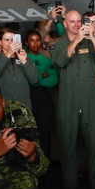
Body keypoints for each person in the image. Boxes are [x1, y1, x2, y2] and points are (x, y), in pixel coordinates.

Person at [51, 9, 95, 189]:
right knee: (67, 145)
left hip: (90, 101)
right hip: (68, 101)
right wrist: (76, 40)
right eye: (73, 21)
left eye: (79, 21)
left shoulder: (90, 42)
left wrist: (92, 37)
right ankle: (70, 184)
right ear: (65, 24)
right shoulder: (57, 45)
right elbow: (60, 62)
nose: (77, 24)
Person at [25, 29, 57, 162]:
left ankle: (45, 163)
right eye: (32, 40)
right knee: (30, 131)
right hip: (28, 95)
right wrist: (41, 75)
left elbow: (54, 79)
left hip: (44, 97)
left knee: (44, 131)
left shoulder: (45, 59)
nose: (35, 43)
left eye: (37, 40)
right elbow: (28, 78)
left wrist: (38, 79)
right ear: (26, 43)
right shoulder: (23, 58)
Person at [0, 26, 38, 110]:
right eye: (7, 40)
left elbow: (34, 79)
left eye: (12, 40)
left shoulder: (25, 58)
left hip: (24, 106)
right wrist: (8, 55)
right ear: (0, 41)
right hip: (3, 106)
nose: (11, 43)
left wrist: (24, 61)